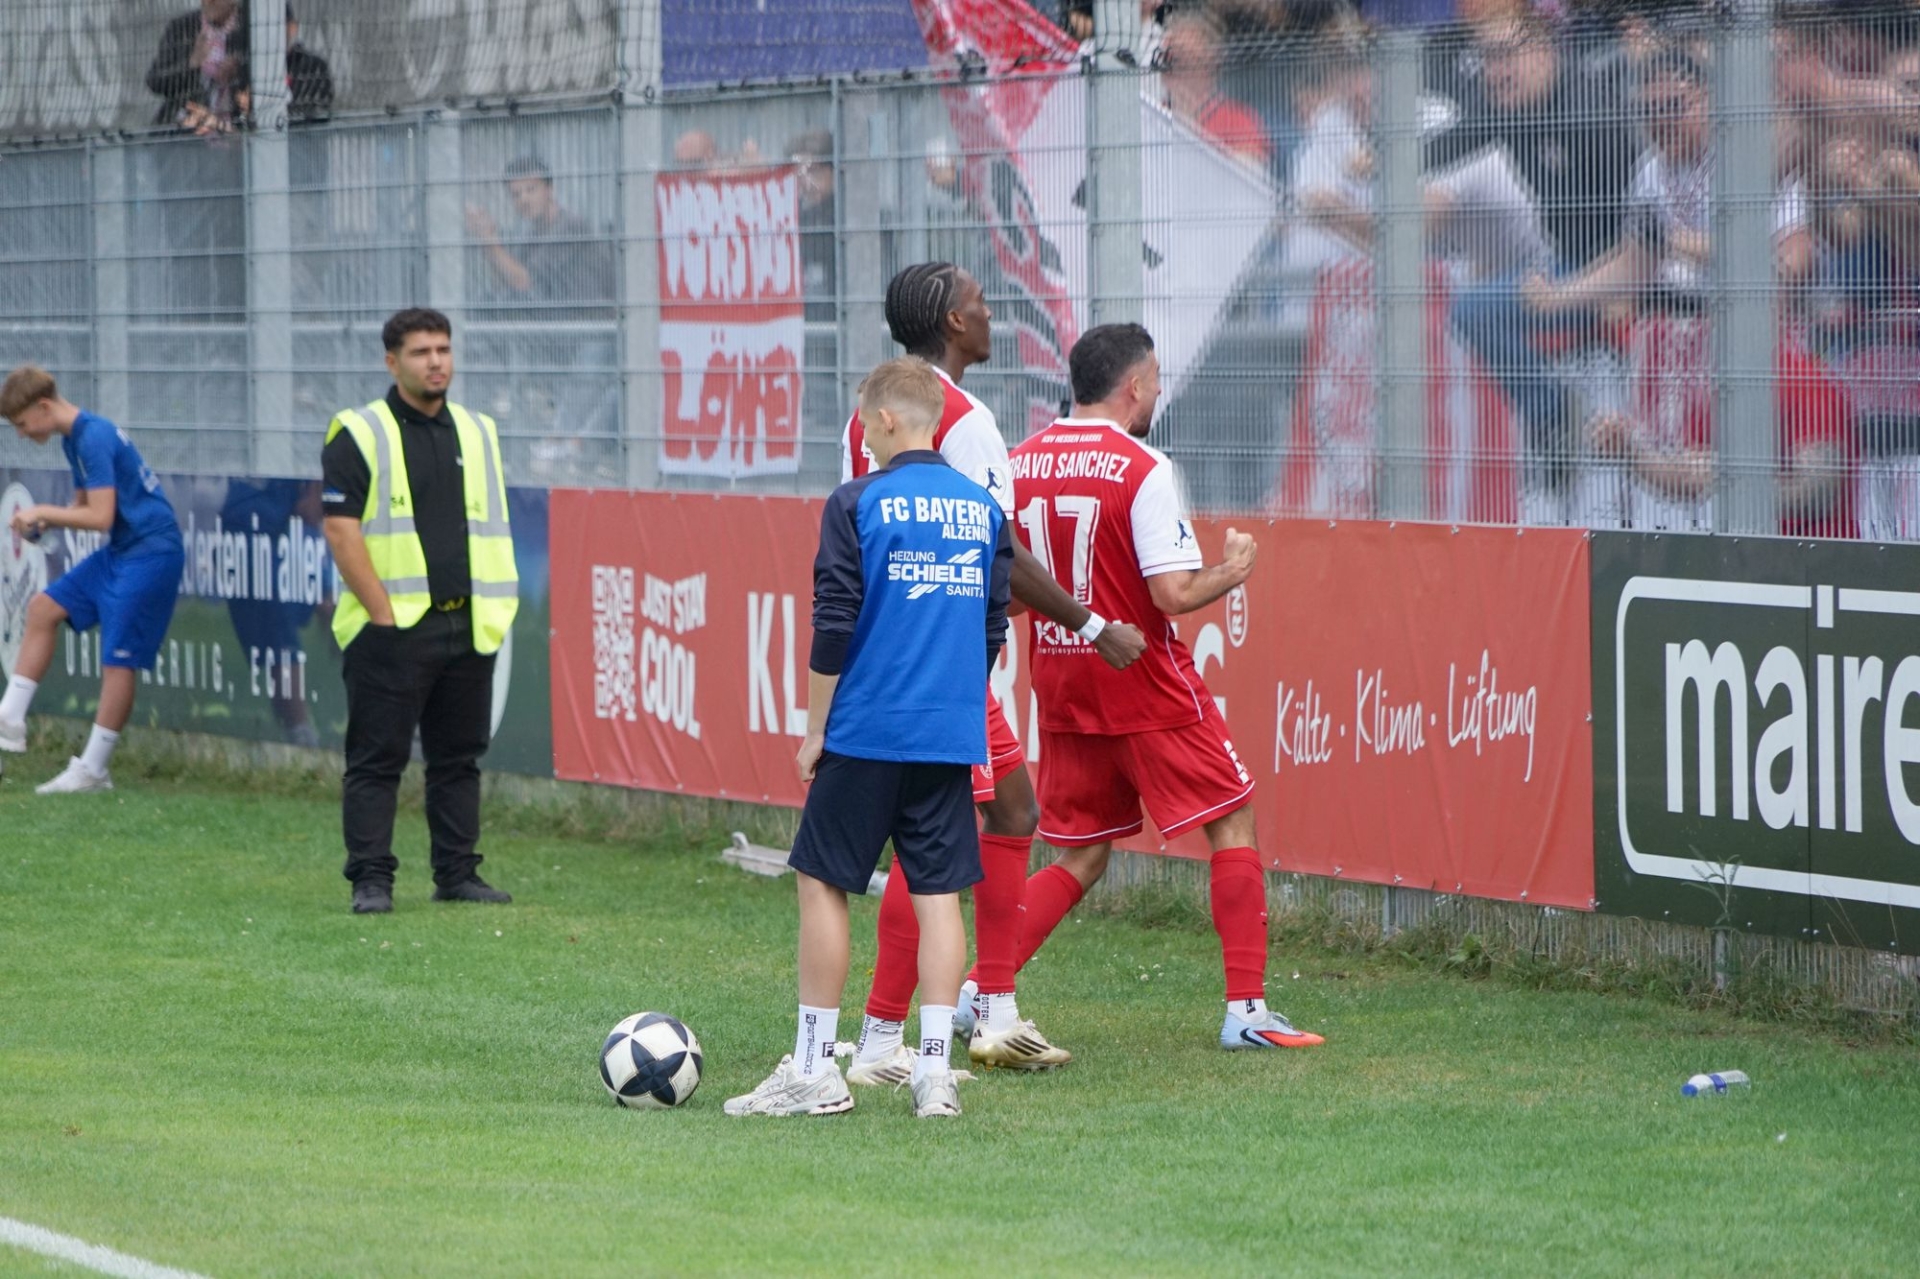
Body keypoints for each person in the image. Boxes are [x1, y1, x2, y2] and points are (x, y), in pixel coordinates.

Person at [836, 264, 1148, 1085]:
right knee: (931, 834)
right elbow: (996, 551)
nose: (991, 313)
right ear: (951, 322)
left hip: (906, 645)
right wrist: (1089, 623)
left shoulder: (876, 406)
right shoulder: (963, 420)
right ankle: (880, 1038)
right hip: (938, 658)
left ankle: (996, 1009)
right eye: (978, 303)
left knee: (1013, 807)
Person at [1008, 323, 1324, 1051]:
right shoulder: (1143, 465)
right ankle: (1247, 1012)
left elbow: (1016, 594)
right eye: (1155, 378)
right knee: (1232, 819)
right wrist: (1233, 569)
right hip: (1143, 681)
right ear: (1134, 384)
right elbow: (1174, 594)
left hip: (1062, 680)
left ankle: (981, 990)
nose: (1157, 390)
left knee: (1083, 854)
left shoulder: (1020, 461)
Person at [725, 357, 1015, 1120]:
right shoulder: (984, 509)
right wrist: (951, 698)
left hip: (867, 726)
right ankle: (934, 1073)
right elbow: (992, 626)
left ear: (886, 420)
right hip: (948, 732)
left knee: (822, 880)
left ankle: (815, 1069)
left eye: (864, 422)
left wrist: (815, 728)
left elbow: (834, 619)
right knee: (939, 894)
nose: (861, 435)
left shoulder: (856, 501)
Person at [321, 309, 520, 915]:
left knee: (458, 760)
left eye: (443, 349)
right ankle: (371, 881)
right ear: (392, 362)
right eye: (420, 352)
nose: (436, 362)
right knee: (376, 761)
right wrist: (382, 614)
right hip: (393, 628)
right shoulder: (359, 431)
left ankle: (457, 874)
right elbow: (340, 530)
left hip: (468, 623)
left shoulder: (479, 430)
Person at [0, 366, 185, 794]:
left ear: (43, 407)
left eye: (23, 424)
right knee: (43, 608)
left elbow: (100, 517)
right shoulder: (75, 439)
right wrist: (44, 525)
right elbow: (83, 508)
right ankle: (9, 719)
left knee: (118, 658)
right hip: (123, 549)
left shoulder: (93, 437)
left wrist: (42, 511)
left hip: (151, 552)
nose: (22, 434)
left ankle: (93, 770)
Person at [464, 157, 617, 319]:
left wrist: (491, 242)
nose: (523, 199)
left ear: (549, 190)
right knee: (487, 301)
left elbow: (524, 282)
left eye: (531, 190)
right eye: (516, 194)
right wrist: (487, 241)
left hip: (588, 322)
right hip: (556, 320)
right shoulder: (531, 233)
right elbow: (507, 282)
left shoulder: (570, 227)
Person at [146, 1, 250, 133]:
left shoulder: (249, 25)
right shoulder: (183, 27)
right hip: (187, 128)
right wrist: (192, 64)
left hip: (236, 128)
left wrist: (239, 71)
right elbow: (155, 81)